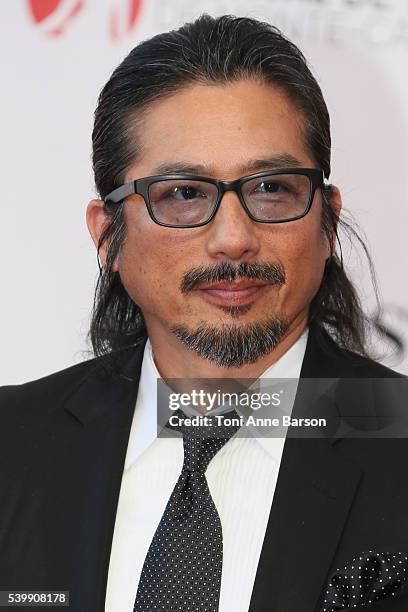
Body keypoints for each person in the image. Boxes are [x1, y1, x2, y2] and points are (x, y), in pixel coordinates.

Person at [1, 13, 407, 612]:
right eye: (185, 195)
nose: (235, 239)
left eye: (272, 188)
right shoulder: (13, 446)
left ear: (327, 220)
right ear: (106, 234)